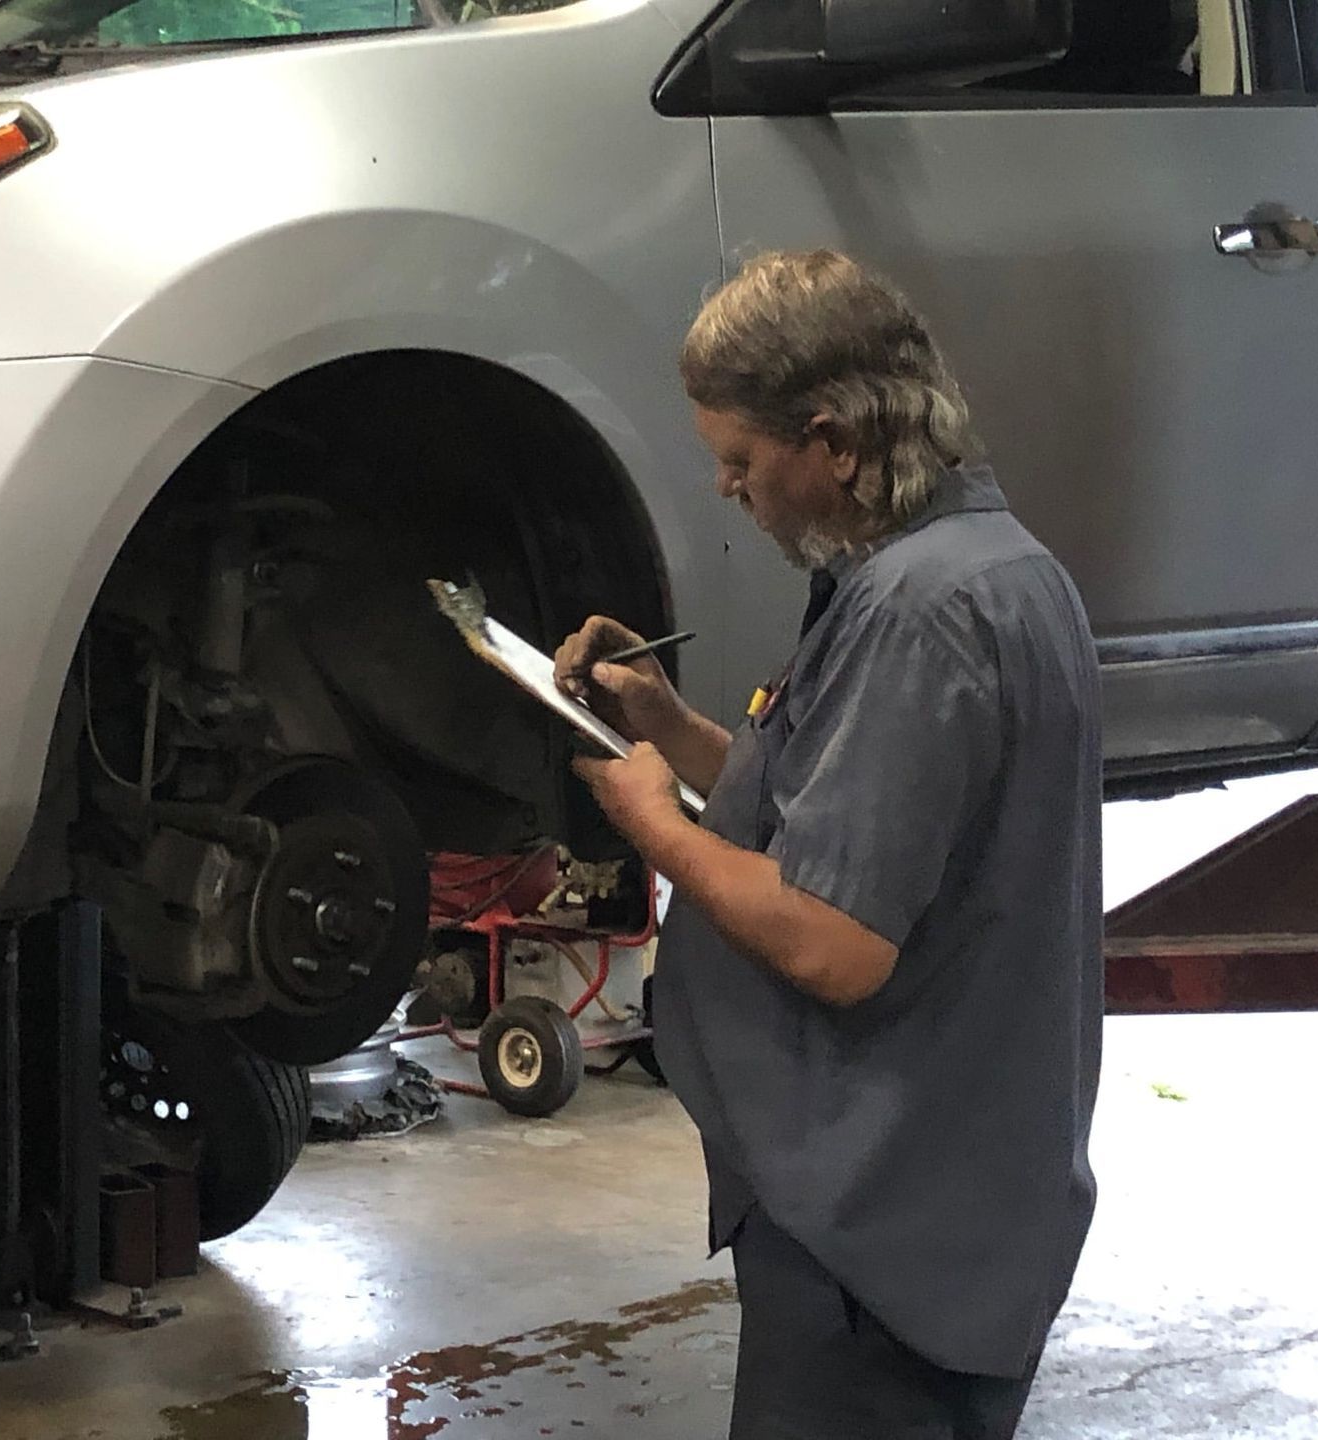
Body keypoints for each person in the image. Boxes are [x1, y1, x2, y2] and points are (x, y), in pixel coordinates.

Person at [555, 250, 1102, 1439]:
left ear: (835, 441)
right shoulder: (998, 570)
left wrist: (653, 826)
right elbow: (859, 821)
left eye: (742, 461)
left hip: (883, 1235)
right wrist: (672, 729)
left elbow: (834, 940)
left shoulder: (919, 612)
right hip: (951, 1205)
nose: (726, 488)